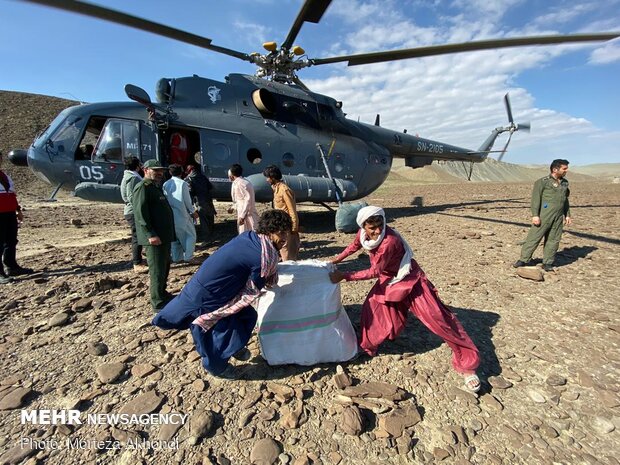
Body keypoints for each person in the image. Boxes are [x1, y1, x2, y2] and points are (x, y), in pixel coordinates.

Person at [328, 206, 481, 392]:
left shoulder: (388, 242)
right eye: (372, 227)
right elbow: (354, 246)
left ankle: (468, 365)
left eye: (380, 224)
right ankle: (367, 347)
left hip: (408, 278)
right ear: (363, 226)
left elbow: (374, 271)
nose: (377, 230)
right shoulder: (363, 234)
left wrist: (345, 276)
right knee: (373, 309)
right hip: (390, 280)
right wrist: (336, 260)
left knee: (437, 318)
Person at [152, 209, 292, 377]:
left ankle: (234, 347)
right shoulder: (263, 255)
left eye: (287, 233)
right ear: (269, 231)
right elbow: (255, 286)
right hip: (209, 295)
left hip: (218, 288)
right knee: (213, 329)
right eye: (281, 233)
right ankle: (217, 367)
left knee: (245, 316)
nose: (285, 239)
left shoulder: (251, 238)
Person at [513, 159, 572, 272]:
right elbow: (536, 199)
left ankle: (547, 262)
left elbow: (565, 200)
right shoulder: (542, 182)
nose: (566, 170)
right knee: (534, 237)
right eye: (564, 168)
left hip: (558, 217)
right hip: (544, 215)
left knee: (553, 239)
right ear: (555, 169)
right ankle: (523, 259)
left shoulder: (565, 183)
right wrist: (535, 215)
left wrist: (567, 215)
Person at [133, 159, 175, 311]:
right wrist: (150, 234)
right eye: (155, 170)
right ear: (146, 170)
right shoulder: (143, 188)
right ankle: (157, 303)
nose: (159, 173)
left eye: (161, 171)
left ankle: (162, 294)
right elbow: (140, 213)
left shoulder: (155, 187)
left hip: (163, 236)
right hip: (155, 238)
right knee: (157, 269)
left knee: (164, 267)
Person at [0, 150, 33, 283]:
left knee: (11, 240)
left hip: (8, 213)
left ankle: (11, 266)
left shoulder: (5, 176)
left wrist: (18, 210)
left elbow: (11, 194)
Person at [262, 165, 300, 261]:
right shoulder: (276, 189)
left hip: (286, 226)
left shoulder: (284, 190)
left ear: (273, 177)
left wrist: (294, 228)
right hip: (279, 226)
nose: (267, 180)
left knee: (286, 252)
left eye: (268, 177)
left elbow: (292, 210)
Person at [163, 164, 198, 263]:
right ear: (181, 172)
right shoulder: (183, 184)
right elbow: (187, 200)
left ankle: (176, 257)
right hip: (182, 214)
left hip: (170, 215)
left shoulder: (166, 184)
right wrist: (193, 211)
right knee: (191, 235)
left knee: (175, 238)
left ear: (170, 172)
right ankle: (189, 257)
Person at [120, 156, 148, 273]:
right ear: (137, 166)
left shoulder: (128, 177)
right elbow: (133, 197)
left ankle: (140, 259)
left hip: (131, 210)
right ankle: (137, 263)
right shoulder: (133, 178)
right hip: (134, 211)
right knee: (137, 237)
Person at [186, 161, 216, 242]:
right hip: (209, 202)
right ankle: (211, 237)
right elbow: (210, 187)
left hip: (200, 203)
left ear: (189, 171)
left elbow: (190, 192)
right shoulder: (203, 177)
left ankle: (206, 240)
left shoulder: (189, 179)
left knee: (204, 223)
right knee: (210, 221)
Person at [228, 163, 259, 234]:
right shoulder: (242, 182)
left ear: (232, 175)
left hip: (247, 215)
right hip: (244, 213)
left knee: (248, 234)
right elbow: (240, 200)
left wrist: (242, 216)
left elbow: (247, 200)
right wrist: (233, 207)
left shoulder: (241, 184)